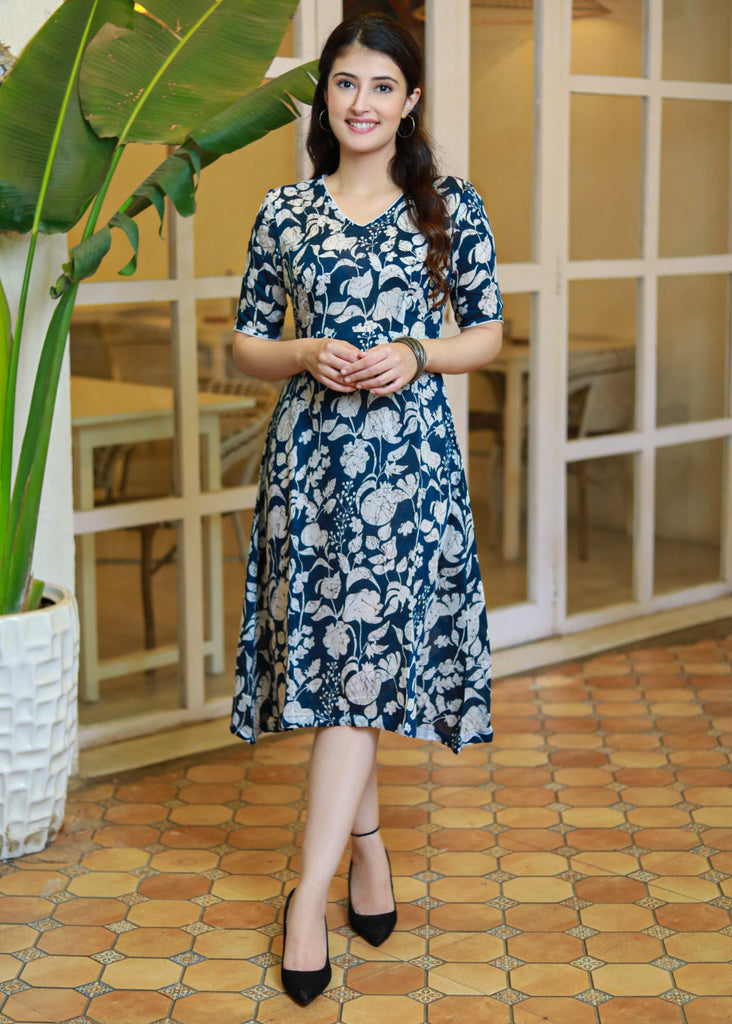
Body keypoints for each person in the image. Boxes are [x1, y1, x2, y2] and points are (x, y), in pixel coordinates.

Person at [229, 13, 503, 1006]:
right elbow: (245, 343)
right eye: (346, 83)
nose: (362, 103)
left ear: (410, 101)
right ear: (327, 96)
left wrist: (419, 354)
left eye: (382, 86)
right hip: (312, 472)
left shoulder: (448, 206)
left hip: (411, 473)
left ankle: (307, 898)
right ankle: (371, 851)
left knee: (355, 677)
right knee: (348, 671)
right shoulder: (285, 210)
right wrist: (305, 353)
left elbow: (489, 333)